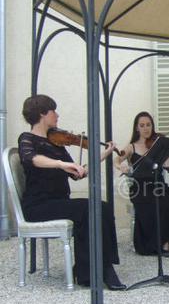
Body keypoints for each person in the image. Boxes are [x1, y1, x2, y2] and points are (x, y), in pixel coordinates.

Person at [18, 94, 125, 290]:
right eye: (53, 111)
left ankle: (96, 268)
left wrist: (104, 154)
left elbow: (78, 173)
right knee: (87, 209)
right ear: (42, 113)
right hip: (38, 205)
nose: (57, 115)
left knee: (102, 207)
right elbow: (30, 159)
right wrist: (60, 164)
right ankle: (96, 271)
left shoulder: (56, 143)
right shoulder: (27, 139)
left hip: (59, 202)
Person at [114, 112, 169, 256]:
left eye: (148, 125)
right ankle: (160, 244)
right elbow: (116, 160)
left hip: (159, 186)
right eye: (142, 125)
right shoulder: (131, 147)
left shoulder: (158, 144)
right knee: (159, 204)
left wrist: (167, 161)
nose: (146, 128)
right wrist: (122, 167)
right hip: (140, 189)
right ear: (136, 128)